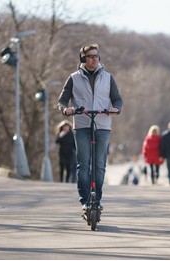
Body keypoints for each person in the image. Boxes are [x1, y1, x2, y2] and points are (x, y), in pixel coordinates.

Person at [57, 43, 123, 210]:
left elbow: (117, 99)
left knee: (100, 164)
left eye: (96, 56)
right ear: (83, 59)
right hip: (81, 125)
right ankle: (85, 200)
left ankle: (97, 200)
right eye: (90, 56)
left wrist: (116, 108)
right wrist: (66, 110)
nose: (94, 59)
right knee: (83, 164)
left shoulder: (108, 78)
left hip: (102, 124)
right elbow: (62, 100)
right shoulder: (74, 78)